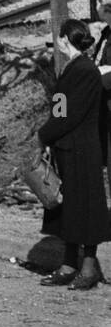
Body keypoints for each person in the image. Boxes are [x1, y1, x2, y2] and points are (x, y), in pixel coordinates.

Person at [37, 19, 110, 290]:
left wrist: (43, 136)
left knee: (85, 209)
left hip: (81, 149)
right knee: (69, 208)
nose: (56, 41)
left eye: (58, 37)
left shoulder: (82, 70)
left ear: (65, 39)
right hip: (69, 148)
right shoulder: (73, 68)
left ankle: (88, 269)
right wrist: (51, 136)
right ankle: (68, 265)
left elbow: (67, 113)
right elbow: (61, 109)